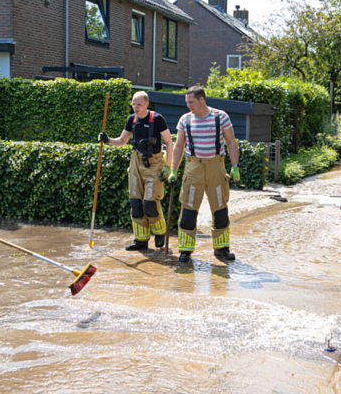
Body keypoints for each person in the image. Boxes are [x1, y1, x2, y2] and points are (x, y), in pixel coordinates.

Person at [169, 86, 241, 263]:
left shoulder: (221, 116)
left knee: (220, 210)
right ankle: (185, 250)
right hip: (193, 168)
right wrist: (173, 169)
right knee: (189, 210)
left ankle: (221, 249)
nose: (189, 106)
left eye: (191, 102)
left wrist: (235, 166)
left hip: (216, 166)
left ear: (202, 100)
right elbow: (178, 146)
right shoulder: (185, 120)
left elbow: (231, 142)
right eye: (187, 103)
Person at [100, 91, 174, 250]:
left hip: (154, 162)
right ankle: (141, 241)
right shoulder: (131, 120)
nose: (135, 107)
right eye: (133, 104)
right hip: (136, 161)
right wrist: (107, 140)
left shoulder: (157, 119)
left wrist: (168, 166)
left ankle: (160, 232)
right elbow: (122, 141)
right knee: (135, 203)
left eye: (139, 104)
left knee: (150, 203)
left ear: (147, 104)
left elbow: (169, 142)